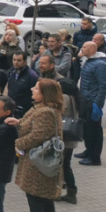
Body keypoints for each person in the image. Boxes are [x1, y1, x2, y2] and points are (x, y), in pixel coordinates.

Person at [8, 79, 65, 212]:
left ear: (45, 93)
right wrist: (19, 122)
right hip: (37, 163)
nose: (32, 89)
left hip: (38, 165)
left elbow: (38, 135)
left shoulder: (45, 111)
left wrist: (18, 143)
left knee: (36, 204)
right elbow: (35, 124)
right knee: (45, 202)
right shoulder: (42, 108)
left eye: (36, 88)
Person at [36, 54, 80, 203]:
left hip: (64, 138)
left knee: (63, 165)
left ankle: (67, 191)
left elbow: (57, 115)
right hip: (68, 138)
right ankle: (69, 191)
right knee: (64, 165)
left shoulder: (65, 98)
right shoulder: (72, 97)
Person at [77, 41, 106, 166]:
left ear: (91, 50)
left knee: (94, 130)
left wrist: (97, 103)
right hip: (84, 99)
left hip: (92, 101)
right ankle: (88, 150)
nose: (81, 49)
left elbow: (103, 85)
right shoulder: (88, 61)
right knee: (86, 129)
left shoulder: (100, 65)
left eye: (84, 47)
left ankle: (95, 157)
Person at [7, 52, 39, 118]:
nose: (16, 62)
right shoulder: (11, 72)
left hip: (25, 110)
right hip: (12, 107)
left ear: (25, 61)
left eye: (19, 60)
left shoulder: (32, 76)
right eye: (14, 60)